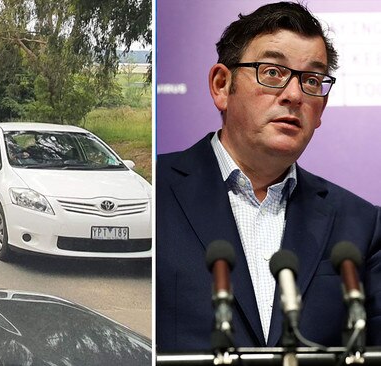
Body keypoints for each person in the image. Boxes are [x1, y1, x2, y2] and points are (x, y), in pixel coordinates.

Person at [156, 2, 381, 351]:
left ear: (321, 109)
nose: (294, 95)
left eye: (311, 80)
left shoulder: (361, 224)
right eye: (273, 72)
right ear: (221, 85)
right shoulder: (155, 191)